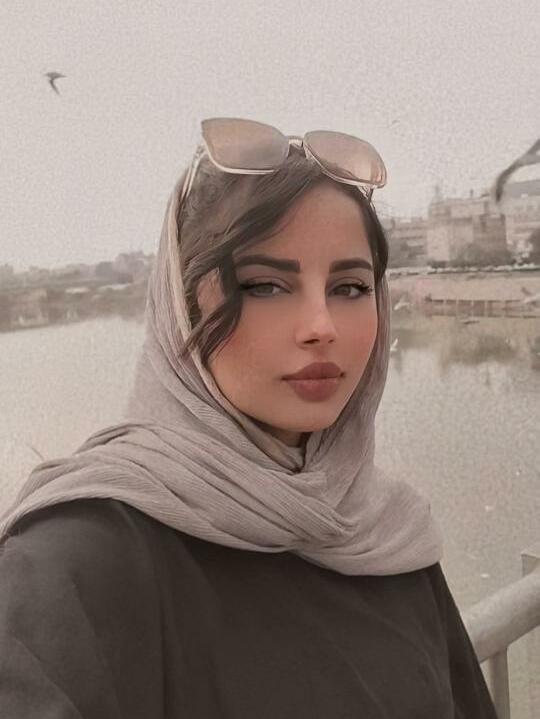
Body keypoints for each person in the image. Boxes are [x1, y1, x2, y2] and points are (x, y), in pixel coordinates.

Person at [0, 117, 498, 718]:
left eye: (349, 287)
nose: (321, 326)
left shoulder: (385, 537)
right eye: (264, 286)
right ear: (181, 306)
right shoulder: (80, 560)